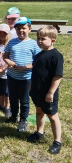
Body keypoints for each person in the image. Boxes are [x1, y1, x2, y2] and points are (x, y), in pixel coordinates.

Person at [27, 26, 63, 154]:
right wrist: (31, 86)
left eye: (43, 38)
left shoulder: (56, 56)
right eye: (38, 38)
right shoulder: (39, 55)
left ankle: (57, 141)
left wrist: (51, 92)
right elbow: (35, 72)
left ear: (53, 40)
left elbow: (57, 76)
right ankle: (39, 132)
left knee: (52, 116)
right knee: (39, 112)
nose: (40, 41)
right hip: (37, 91)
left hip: (48, 93)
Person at [3, 17, 41, 132]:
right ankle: (14, 116)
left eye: (23, 28)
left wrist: (27, 67)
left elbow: (39, 61)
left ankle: (23, 120)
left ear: (30, 29)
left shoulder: (34, 44)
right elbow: (5, 56)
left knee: (24, 100)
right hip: (12, 76)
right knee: (13, 98)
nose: (21, 31)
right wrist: (9, 62)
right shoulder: (12, 42)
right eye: (18, 28)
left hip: (26, 78)